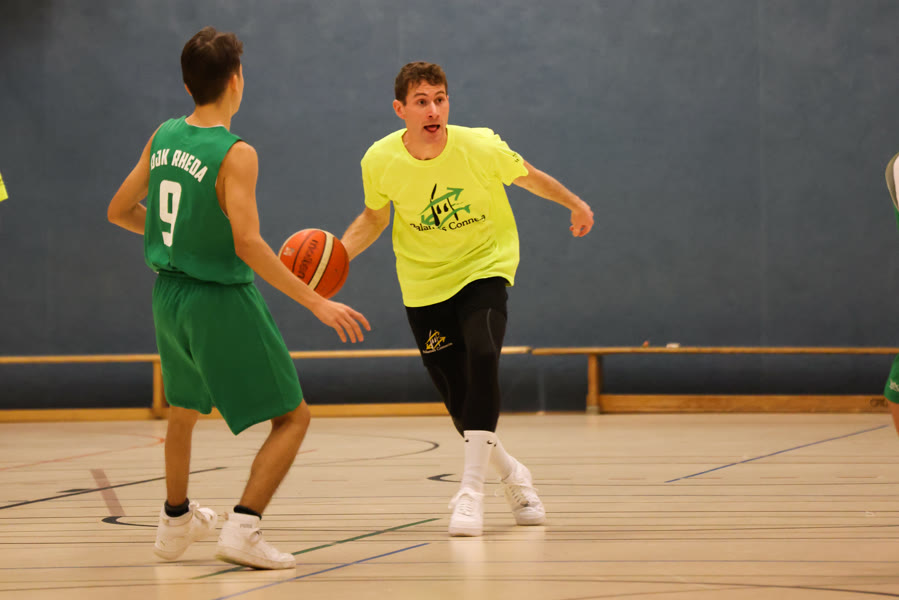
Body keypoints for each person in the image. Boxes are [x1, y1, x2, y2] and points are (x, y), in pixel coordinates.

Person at [107, 27, 369, 569]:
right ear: (236, 81)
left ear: (188, 86)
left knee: (182, 411)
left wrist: (175, 241)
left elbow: (119, 210)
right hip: (219, 300)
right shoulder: (236, 153)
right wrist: (316, 302)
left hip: (168, 296)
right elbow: (248, 243)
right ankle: (243, 528)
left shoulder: (164, 136)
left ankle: (174, 522)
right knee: (293, 418)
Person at [341, 62, 594, 536]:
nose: (433, 110)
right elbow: (374, 218)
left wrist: (575, 204)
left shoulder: (479, 146)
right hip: (423, 284)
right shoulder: (379, 160)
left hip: (484, 267)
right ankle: (513, 475)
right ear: (400, 109)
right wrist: (336, 257)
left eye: (440, 99)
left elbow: (528, 176)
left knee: (482, 354)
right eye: (421, 102)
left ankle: (470, 492)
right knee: (461, 403)